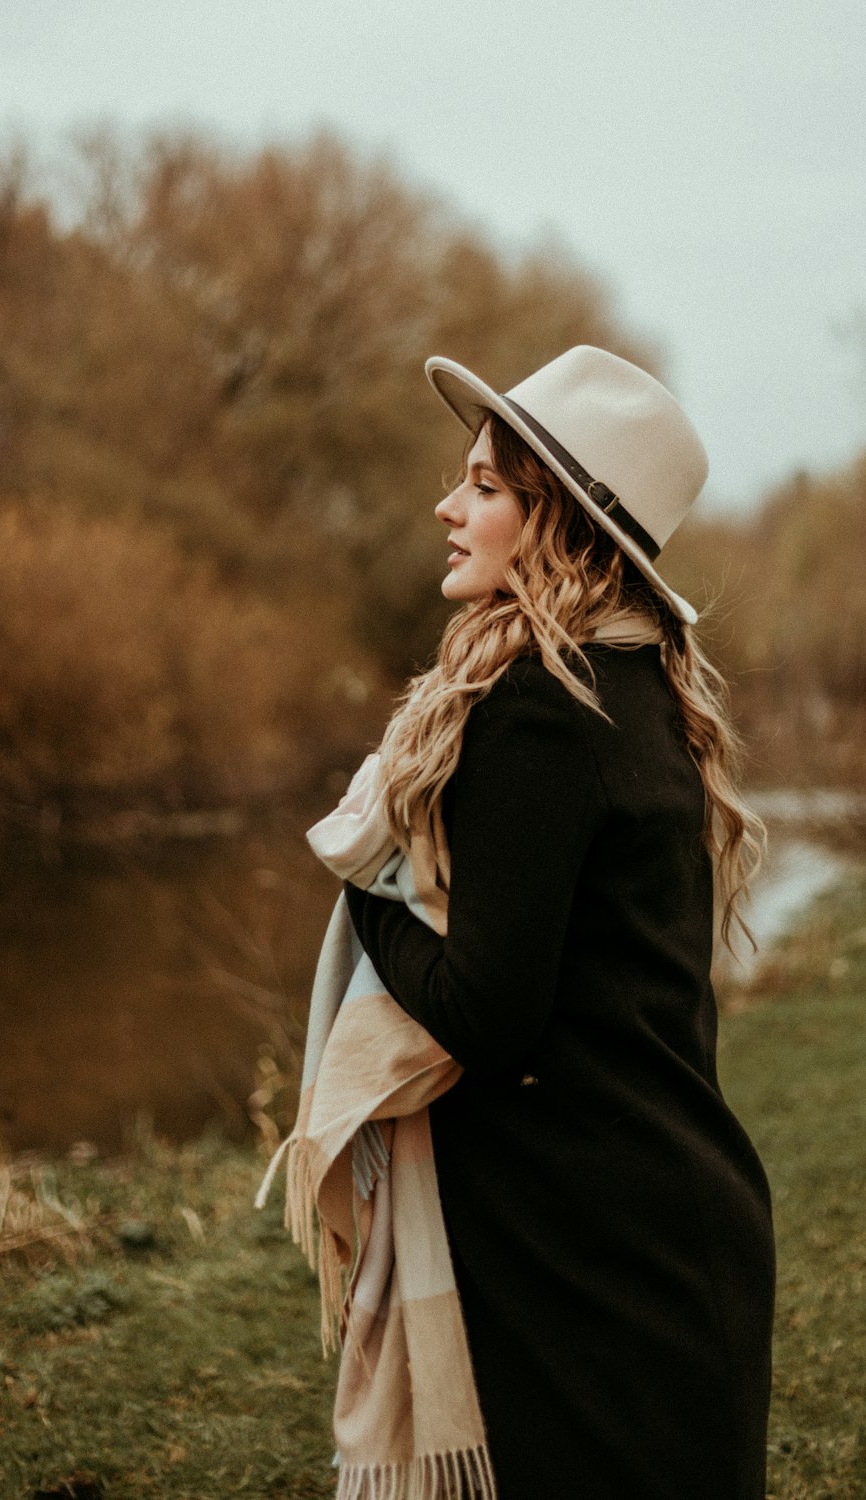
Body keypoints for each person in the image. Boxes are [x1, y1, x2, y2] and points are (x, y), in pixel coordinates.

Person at [331, 346, 776, 1500]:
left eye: (483, 485)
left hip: (591, 1258)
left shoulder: (539, 708)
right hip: (665, 1221)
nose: (448, 504)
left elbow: (490, 1015)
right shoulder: (637, 689)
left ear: (558, 524)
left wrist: (366, 885)